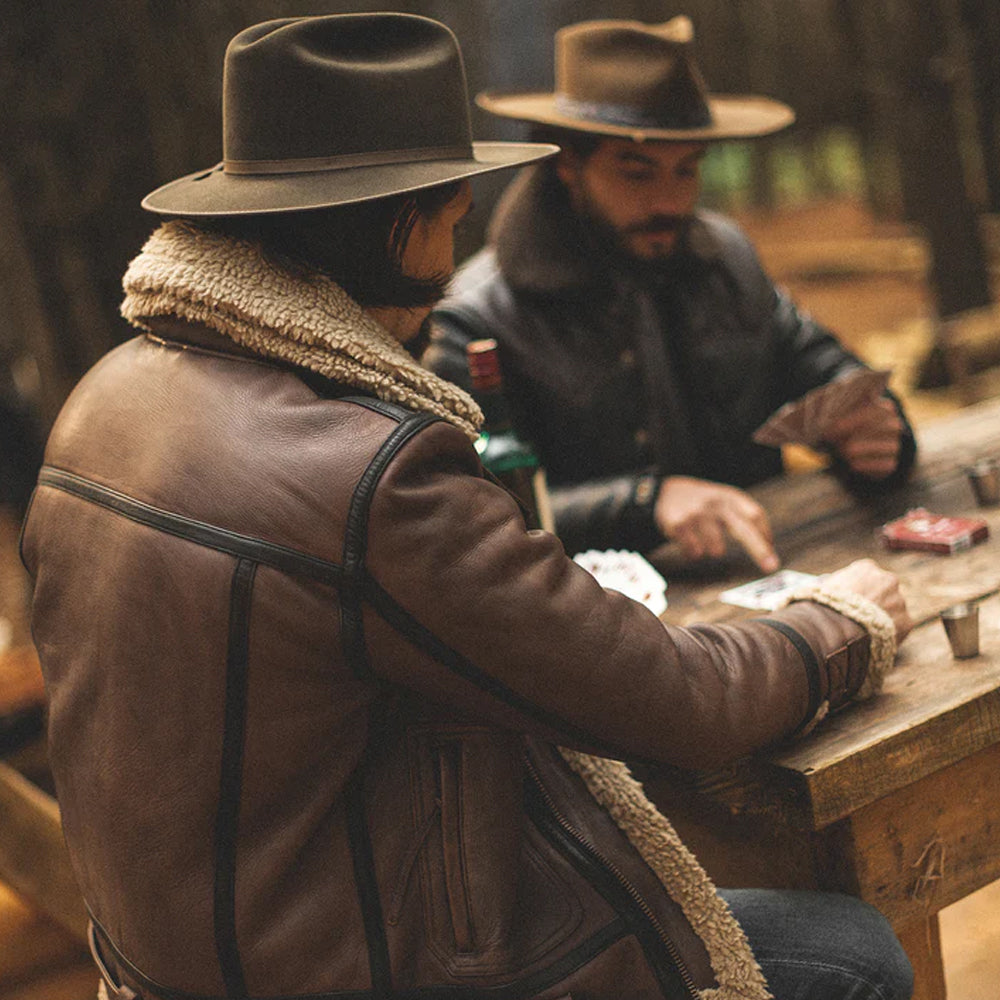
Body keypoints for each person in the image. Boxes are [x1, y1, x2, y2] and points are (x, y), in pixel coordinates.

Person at [21, 14, 913, 1000]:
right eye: (449, 215)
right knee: (853, 957)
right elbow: (674, 698)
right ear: (390, 223)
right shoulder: (373, 469)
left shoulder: (100, 399)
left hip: (184, 963)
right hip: (365, 964)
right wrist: (846, 625)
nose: (452, 256)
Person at [425, 16, 917, 568]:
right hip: (600, 621)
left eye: (685, 172)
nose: (669, 203)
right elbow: (469, 519)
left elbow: (828, 370)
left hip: (782, 570)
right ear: (569, 164)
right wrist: (644, 502)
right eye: (638, 174)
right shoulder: (477, 316)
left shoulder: (725, 257)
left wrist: (875, 437)